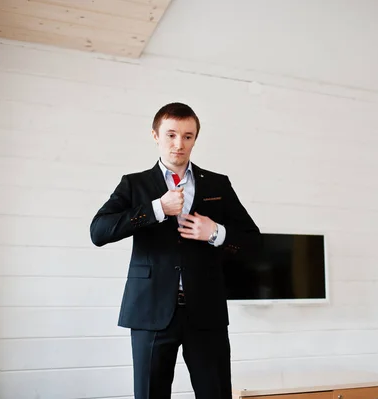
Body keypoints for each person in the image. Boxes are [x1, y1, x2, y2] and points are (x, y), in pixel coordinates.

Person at [90, 102, 260, 399]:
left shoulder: (218, 184)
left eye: (188, 136)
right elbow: (99, 232)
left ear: (195, 138)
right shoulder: (134, 184)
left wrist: (216, 233)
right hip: (150, 310)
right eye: (170, 135)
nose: (179, 144)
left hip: (206, 312)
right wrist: (156, 209)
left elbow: (254, 242)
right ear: (155, 135)